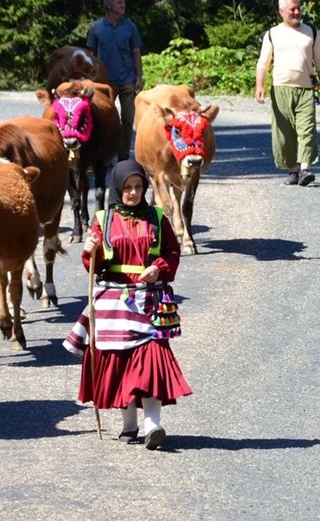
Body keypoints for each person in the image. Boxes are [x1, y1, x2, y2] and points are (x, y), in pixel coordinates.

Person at [63, 159, 190, 451]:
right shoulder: (103, 220)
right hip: (112, 302)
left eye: (138, 187)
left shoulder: (157, 217)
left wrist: (158, 267)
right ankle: (129, 425)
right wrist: (89, 251)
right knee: (119, 363)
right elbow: (92, 266)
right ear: (117, 188)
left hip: (148, 299)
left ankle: (152, 426)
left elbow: (171, 252)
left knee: (151, 358)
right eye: (128, 188)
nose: (133, 193)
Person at [255, 0, 320, 187]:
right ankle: (292, 170)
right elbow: (263, 63)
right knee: (284, 133)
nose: (297, 12)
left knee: (307, 129)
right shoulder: (272, 33)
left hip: (306, 88)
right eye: (292, 9)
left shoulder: (311, 31)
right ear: (281, 11)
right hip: (280, 88)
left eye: (299, 8)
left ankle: (305, 169)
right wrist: (260, 86)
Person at [86, 0, 143, 161]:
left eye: (123, 2)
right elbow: (91, 56)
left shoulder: (130, 27)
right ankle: (105, 156)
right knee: (105, 121)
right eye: (120, 2)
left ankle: (123, 156)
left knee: (127, 120)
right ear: (109, 5)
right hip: (104, 83)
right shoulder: (96, 28)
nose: (123, 5)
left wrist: (139, 77)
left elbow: (136, 53)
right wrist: (92, 79)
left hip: (127, 80)